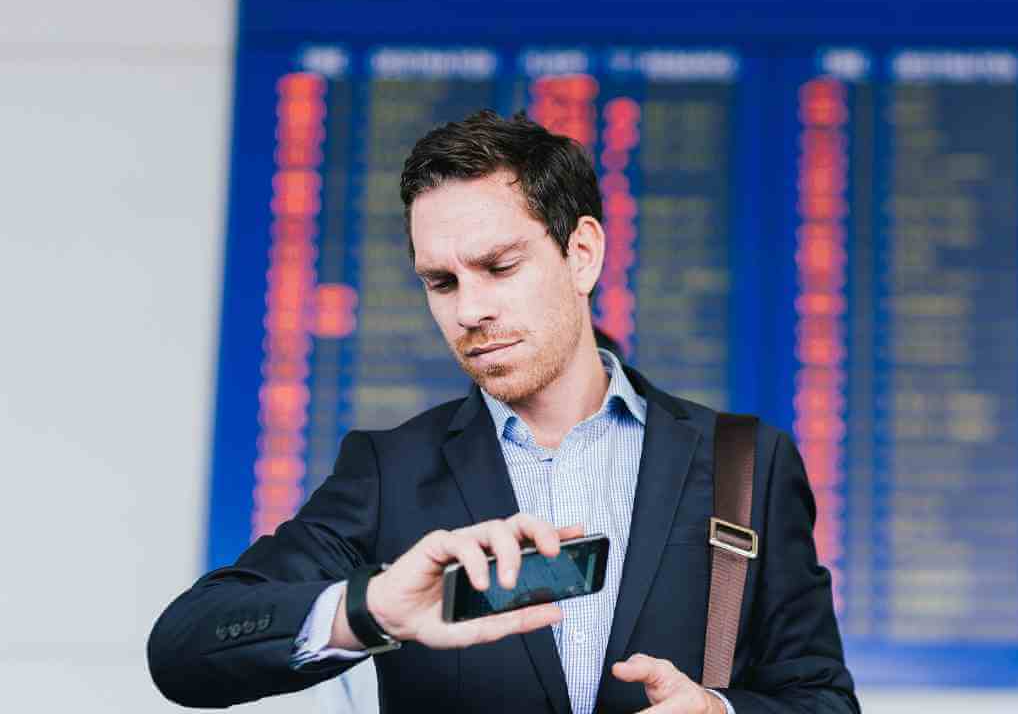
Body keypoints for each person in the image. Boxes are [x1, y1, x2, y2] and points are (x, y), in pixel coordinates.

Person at [148, 110, 859, 713]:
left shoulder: (746, 460)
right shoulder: (391, 470)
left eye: (499, 266)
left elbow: (821, 698)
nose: (470, 309)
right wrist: (367, 610)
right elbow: (184, 648)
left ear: (582, 254)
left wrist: (721, 712)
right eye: (441, 281)